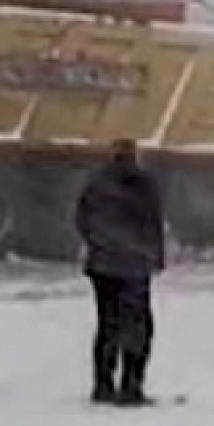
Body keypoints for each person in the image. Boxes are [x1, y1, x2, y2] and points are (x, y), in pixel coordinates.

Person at [74, 139, 166, 405]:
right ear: (134, 156)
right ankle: (131, 387)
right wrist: (154, 257)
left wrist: (97, 245)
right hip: (134, 266)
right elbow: (152, 222)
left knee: (107, 325)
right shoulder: (144, 184)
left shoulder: (96, 182)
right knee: (138, 326)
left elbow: (82, 219)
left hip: (103, 266)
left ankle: (102, 386)